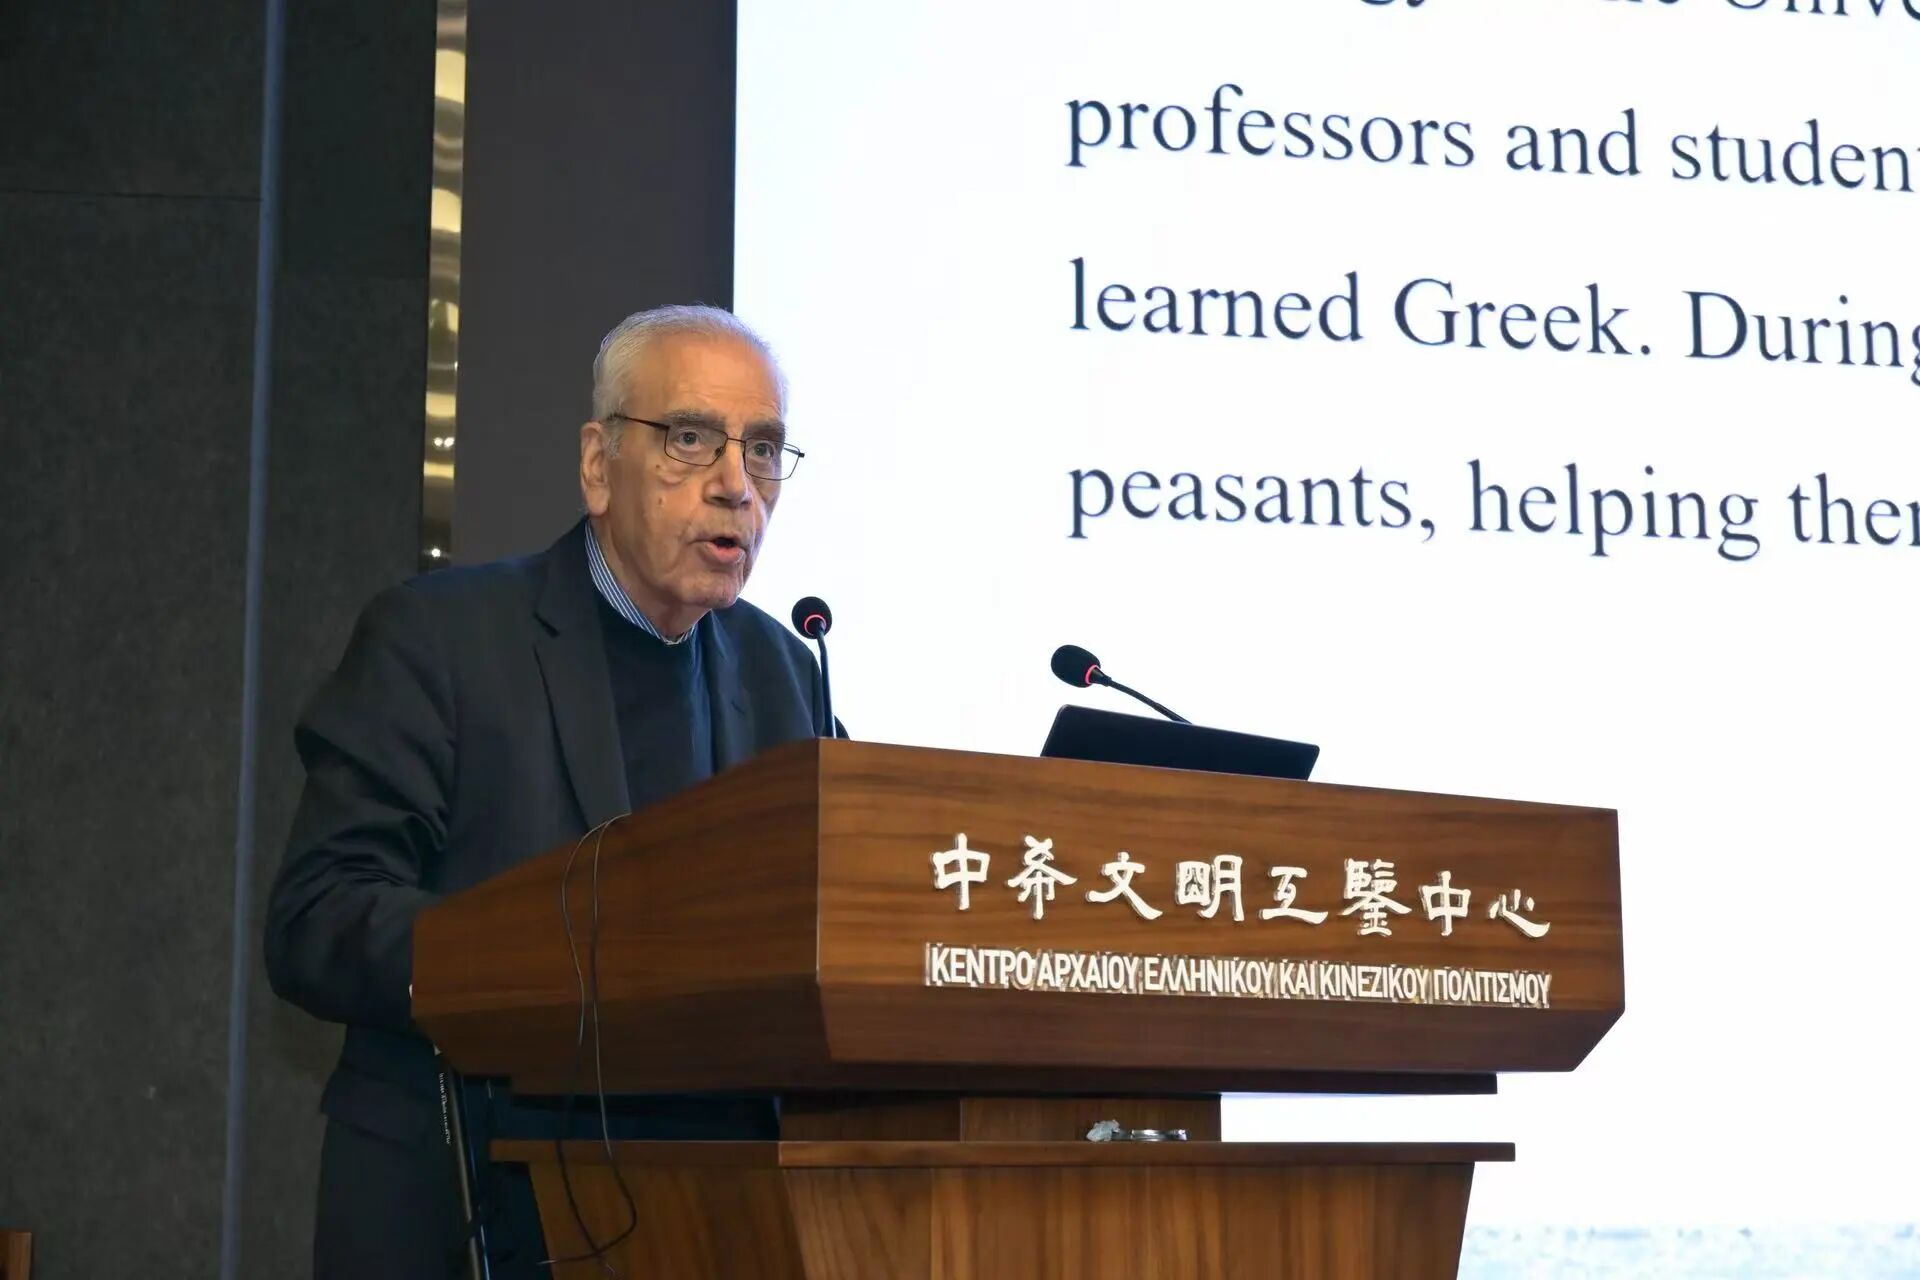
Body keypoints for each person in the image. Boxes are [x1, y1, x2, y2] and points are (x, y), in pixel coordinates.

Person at [265, 305, 828, 1279]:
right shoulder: (442, 639)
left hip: (710, 1212)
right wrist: (559, 960)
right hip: (469, 1199)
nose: (736, 484)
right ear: (599, 465)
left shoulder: (784, 670)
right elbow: (322, 916)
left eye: (764, 449)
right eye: (690, 439)